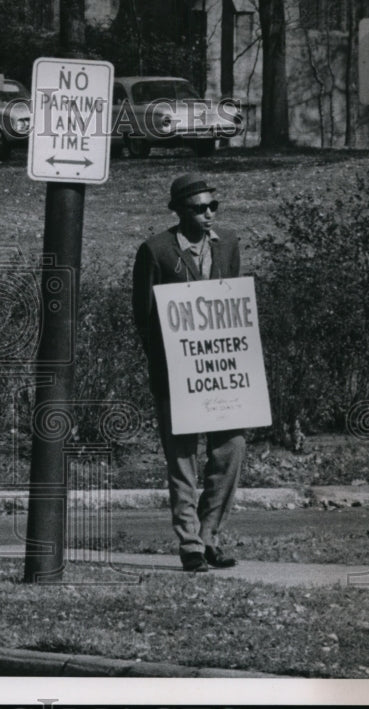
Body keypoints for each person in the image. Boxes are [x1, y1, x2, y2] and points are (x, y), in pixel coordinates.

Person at [132, 173, 246, 573]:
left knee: (231, 447)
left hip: (221, 372)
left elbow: (230, 302)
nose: (209, 214)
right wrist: (166, 362)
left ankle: (210, 534)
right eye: (199, 208)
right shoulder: (156, 251)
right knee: (181, 459)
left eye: (213, 206)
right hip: (175, 374)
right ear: (179, 211)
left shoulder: (229, 243)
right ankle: (190, 545)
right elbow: (143, 317)